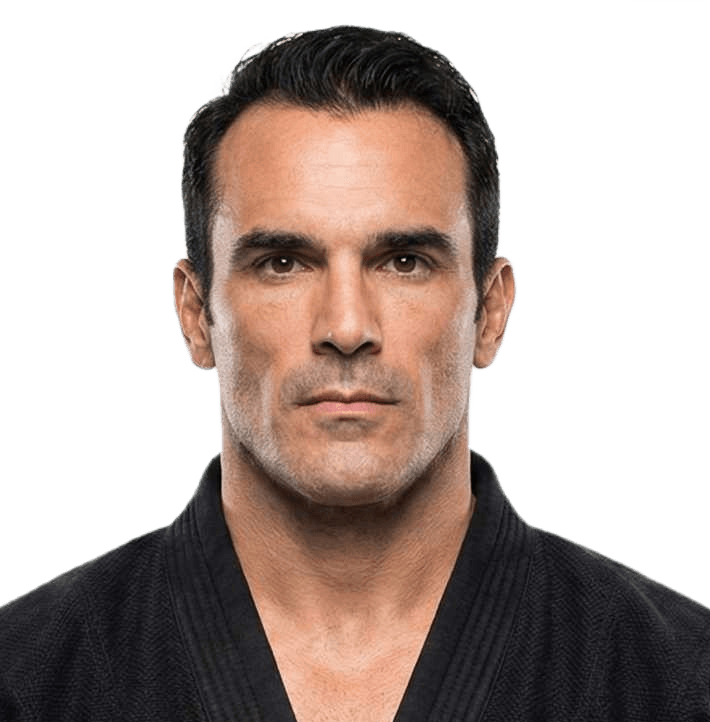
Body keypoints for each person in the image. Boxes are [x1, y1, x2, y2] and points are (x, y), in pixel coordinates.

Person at [1, 24, 708, 722]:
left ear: (490, 313)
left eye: (404, 262)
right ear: (196, 314)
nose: (345, 327)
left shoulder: (678, 681)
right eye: (283, 263)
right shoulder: (25, 680)